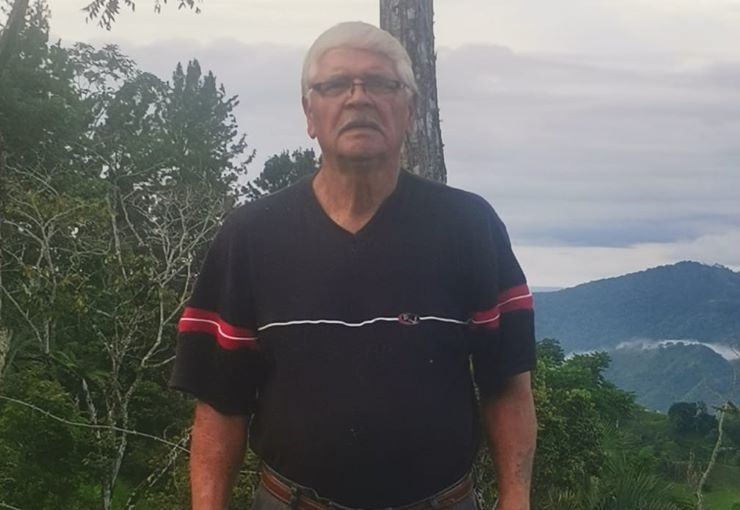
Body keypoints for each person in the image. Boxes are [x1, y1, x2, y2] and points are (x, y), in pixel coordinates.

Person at [170, 21, 537, 510]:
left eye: (381, 84)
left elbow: (506, 383)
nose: (358, 98)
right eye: (336, 85)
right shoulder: (252, 235)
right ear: (310, 113)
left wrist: (516, 499)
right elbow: (220, 402)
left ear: (409, 111)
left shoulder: (469, 226)